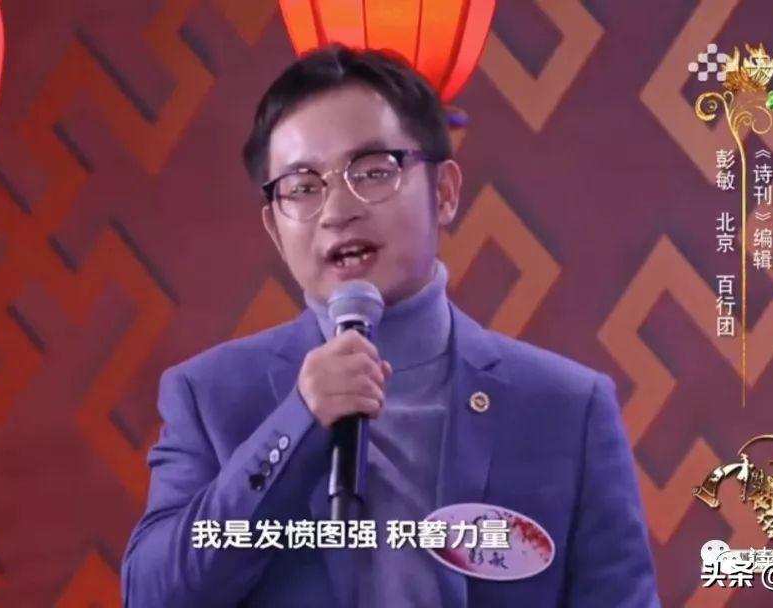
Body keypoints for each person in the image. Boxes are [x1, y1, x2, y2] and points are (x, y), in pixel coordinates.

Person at [121, 45, 659, 607]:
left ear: (444, 193)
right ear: (275, 229)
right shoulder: (209, 396)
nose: (338, 211)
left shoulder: (568, 408)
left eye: (373, 171)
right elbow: (153, 596)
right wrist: (298, 421)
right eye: (303, 187)